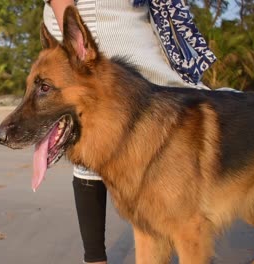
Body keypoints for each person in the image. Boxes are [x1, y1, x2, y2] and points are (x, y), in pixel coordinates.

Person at [43, 0, 216, 263]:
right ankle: (96, 258)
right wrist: (73, 37)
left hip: (140, 17)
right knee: (94, 139)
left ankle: (173, 231)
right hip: (93, 20)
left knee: (168, 111)